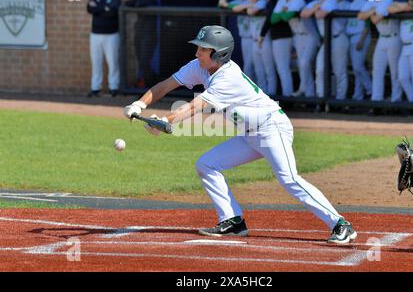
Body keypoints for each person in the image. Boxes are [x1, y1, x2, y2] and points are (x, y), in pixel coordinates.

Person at [123, 25, 357, 244]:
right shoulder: (199, 67)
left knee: (289, 179)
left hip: (271, 127)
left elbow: (195, 106)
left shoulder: (228, 76)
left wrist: (166, 121)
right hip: (249, 134)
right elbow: (166, 85)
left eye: (203, 49)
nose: (197, 53)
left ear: (219, 54)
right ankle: (233, 221)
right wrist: (139, 105)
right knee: (207, 165)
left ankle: (340, 224)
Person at [358, 0, 402, 115]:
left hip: (394, 38)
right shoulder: (372, 0)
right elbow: (360, 16)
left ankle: (396, 102)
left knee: (395, 72)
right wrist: (373, 11)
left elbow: (375, 19)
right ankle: (376, 101)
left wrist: (371, 12)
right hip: (382, 39)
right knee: (377, 70)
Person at [233, 0, 277, 95]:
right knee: (259, 71)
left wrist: (248, 6)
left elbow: (251, 11)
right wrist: (248, 5)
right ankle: (261, 95)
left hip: (265, 40)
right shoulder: (248, 3)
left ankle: (272, 94)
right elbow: (234, 8)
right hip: (254, 41)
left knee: (269, 70)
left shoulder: (262, 2)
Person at [315, 0, 350, 103]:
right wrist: (316, 7)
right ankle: (321, 99)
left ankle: (340, 100)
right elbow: (304, 14)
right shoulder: (317, 3)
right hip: (327, 41)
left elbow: (320, 15)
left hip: (338, 38)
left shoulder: (331, 1)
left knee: (339, 71)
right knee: (320, 70)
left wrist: (316, 8)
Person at [87, 0, 122, 97]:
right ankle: (95, 88)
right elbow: (89, 8)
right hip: (95, 35)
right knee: (96, 62)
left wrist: (99, 9)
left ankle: (114, 87)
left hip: (111, 35)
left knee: (113, 62)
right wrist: (105, 8)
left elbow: (112, 12)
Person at [270, 0, 303, 96]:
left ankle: (290, 96)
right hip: (296, 36)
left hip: (307, 36)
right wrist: (283, 13)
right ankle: (289, 94)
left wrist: (283, 13)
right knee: (287, 67)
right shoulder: (282, 0)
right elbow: (273, 19)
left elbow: (285, 17)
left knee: (303, 66)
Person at [218, 0, 255, 79]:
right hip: (245, 38)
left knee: (252, 65)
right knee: (249, 64)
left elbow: (235, 7)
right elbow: (222, 5)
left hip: (254, 38)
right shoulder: (238, 1)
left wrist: (227, 4)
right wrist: (222, 2)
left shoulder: (252, 1)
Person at [125, 0, 159, 88]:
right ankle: (153, 84)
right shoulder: (138, 1)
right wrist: (137, 2)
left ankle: (151, 87)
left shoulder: (152, 1)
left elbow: (141, 4)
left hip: (149, 37)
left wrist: (137, 3)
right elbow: (127, 3)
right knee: (142, 63)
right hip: (139, 36)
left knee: (144, 62)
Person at [289, 0, 320, 98]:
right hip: (298, 37)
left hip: (310, 36)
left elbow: (296, 11)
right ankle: (309, 94)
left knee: (304, 63)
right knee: (302, 65)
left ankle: (303, 88)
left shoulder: (299, 1)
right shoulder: (284, 3)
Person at [346, 0, 372, 101]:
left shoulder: (363, 2)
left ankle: (371, 90)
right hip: (351, 37)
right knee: (357, 69)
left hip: (360, 36)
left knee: (358, 67)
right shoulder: (351, 4)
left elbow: (368, 24)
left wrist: (362, 39)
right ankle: (358, 96)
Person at [258, 0, 282, 96]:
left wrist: (261, 35)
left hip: (278, 38)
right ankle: (268, 94)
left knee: (271, 69)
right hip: (273, 38)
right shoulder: (267, 2)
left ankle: (272, 94)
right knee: (266, 69)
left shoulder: (276, 1)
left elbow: (269, 20)